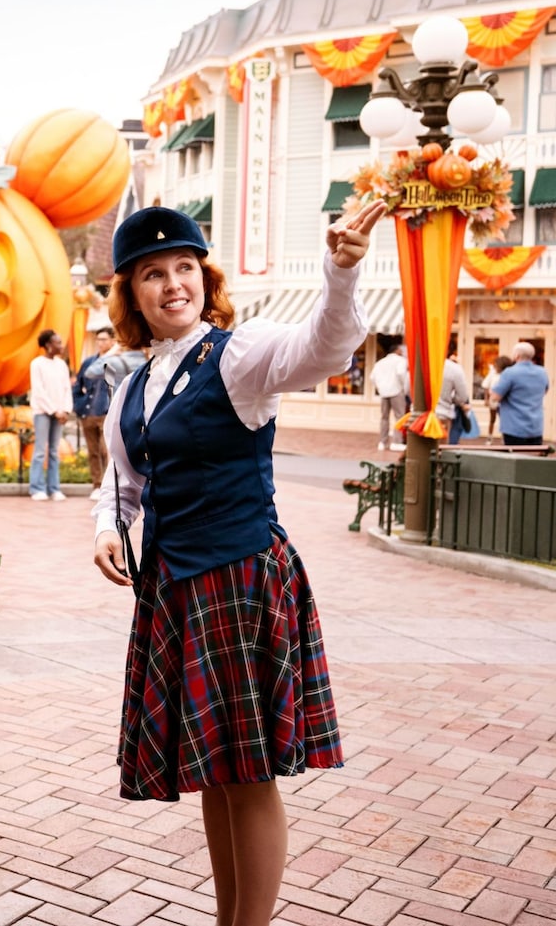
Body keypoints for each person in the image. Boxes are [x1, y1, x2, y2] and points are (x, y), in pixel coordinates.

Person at [90, 201, 386, 926]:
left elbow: (323, 349)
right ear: (131, 295)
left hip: (240, 580)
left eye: (184, 267)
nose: (173, 284)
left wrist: (341, 271)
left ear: (205, 277)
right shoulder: (132, 387)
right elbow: (124, 480)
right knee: (217, 773)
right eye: (152, 274)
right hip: (175, 588)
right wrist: (106, 526)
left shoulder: (239, 356)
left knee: (248, 774)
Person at [29, 329, 72, 501]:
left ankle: (54, 489)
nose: (61, 346)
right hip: (43, 412)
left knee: (54, 451)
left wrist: (66, 410)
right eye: (58, 343)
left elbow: (67, 388)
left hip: (60, 413)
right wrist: (54, 411)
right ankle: (37, 488)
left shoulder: (62, 364)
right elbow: (38, 390)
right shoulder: (37, 364)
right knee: (40, 451)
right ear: (48, 345)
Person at [74, 327, 116, 487]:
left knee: (107, 451)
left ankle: (109, 486)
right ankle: (97, 485)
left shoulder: (116, 361)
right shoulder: (89, 362)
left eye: (104, 339)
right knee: (93, 452)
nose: (100, 343)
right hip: (88, 412)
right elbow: (78, 385)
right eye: (98, 339)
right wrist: (79, 405)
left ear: (112, 341)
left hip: (107, 413)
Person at [491, 341, 550, 446]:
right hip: (536, 427)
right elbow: (545, 391)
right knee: (533, 455)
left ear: (516, 355)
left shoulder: (510, 373)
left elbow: (495, 396)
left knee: (515, 455)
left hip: (514, 428)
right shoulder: (542, 372)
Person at [371, 339, 408, 451]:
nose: (402, 352)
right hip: (397, 391)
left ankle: (383, 442)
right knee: (399, 417)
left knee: (384, 418)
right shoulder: (401, 361)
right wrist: (403, 388)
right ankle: (397, 441)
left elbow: (372, 377)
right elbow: (401, 374)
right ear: (397, 350)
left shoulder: (380, 362)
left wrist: (380, 388)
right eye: (401, 350)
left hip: (384, 392)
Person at [436, 352, 472, 445]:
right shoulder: (454, 368)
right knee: (439, 449)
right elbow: (463, 396)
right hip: (442, 413)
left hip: (420, 415)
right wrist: (451, 399)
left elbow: (407, 388)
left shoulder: (420, 364)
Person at [482, 354, 510, 440]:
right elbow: (486, 385)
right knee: (492, 419)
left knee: (504, 419)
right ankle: (490, 437)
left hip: (505, 401)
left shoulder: (508, 374)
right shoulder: (492, 373)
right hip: (493, 400)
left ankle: (504, 436)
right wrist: (486, 399)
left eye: (497, 365)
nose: (495, 367)